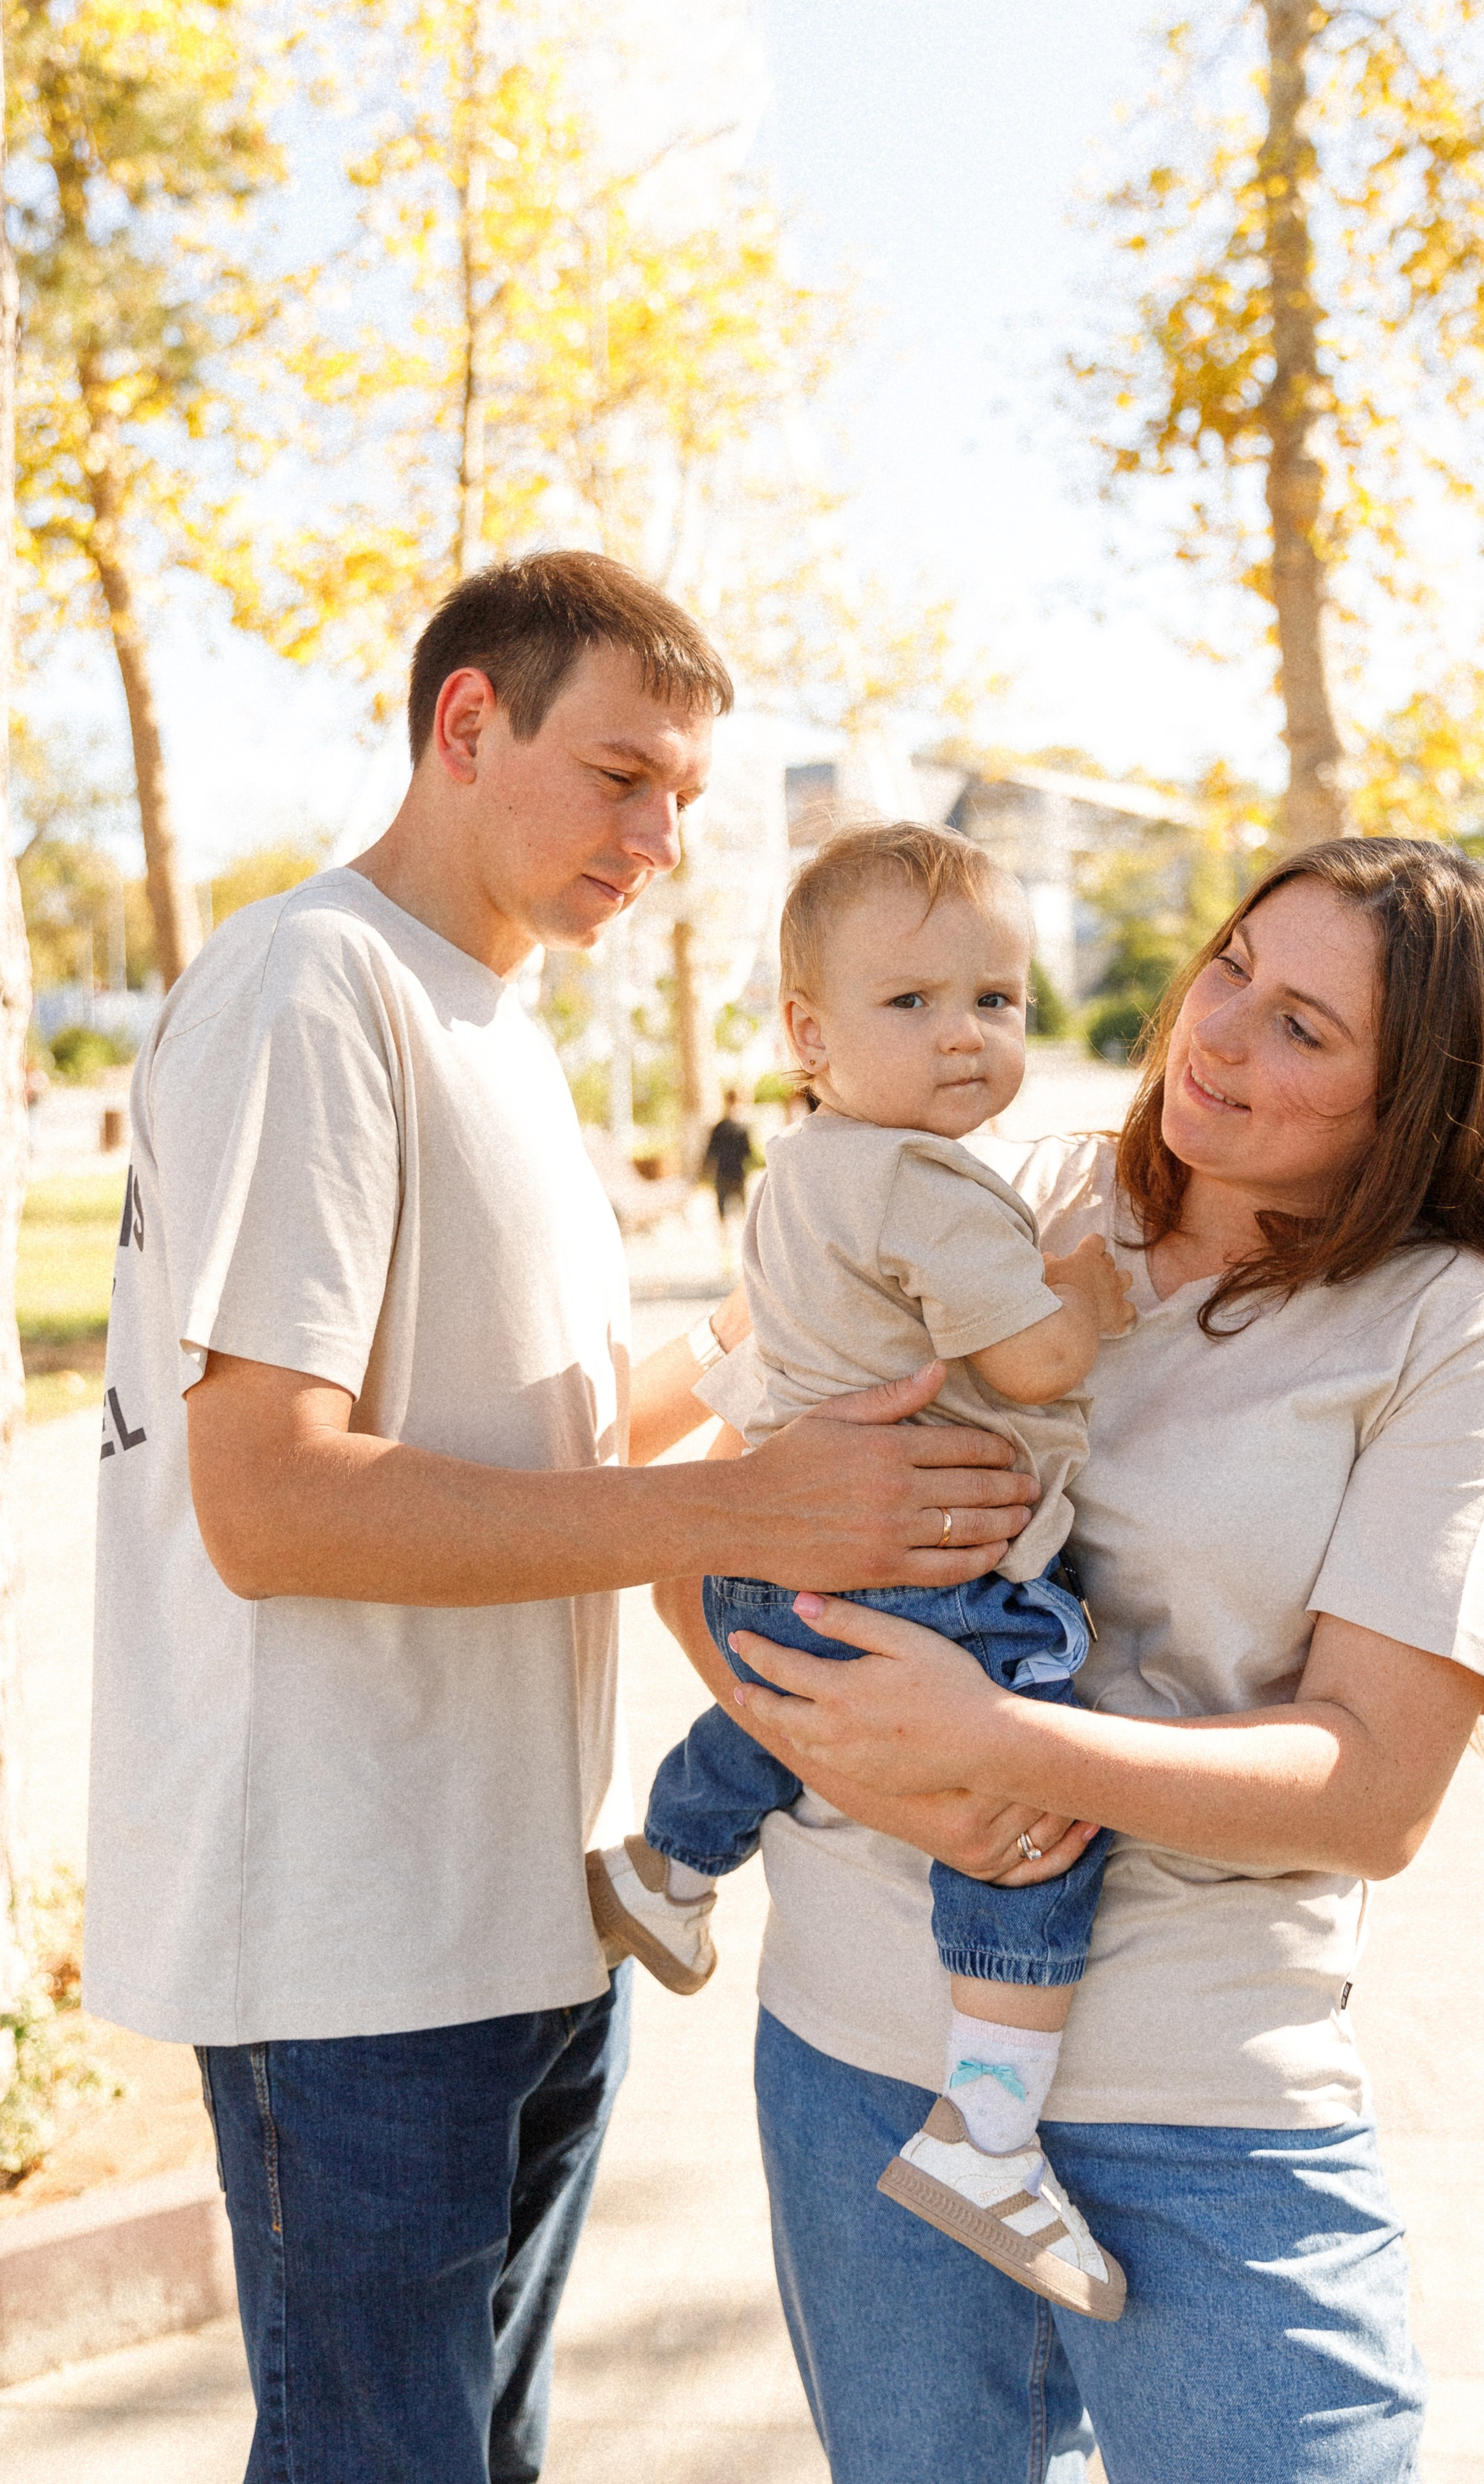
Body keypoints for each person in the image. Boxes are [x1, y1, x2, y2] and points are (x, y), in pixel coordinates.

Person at [83, 551, 1040, 2484]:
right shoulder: (313, 979)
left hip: (524, 1910)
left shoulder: (498, 1029)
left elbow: (558, 1431)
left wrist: (812, 1324)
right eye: (622, 775)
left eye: (685, 793)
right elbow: (268, 1495)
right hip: (347, 1945)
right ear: (464, 724)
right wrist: (751, 1497)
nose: (664, 836)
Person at [652, 835, 1484, 2484]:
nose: (1219, 1033)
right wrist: (826, 1731)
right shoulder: (1012, 1190)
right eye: (1230, 965)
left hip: (1205, 2115)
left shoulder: (1446, 1327)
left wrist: (1000, 1749)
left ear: (1418, 1101)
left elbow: (1369, 1792)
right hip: (857, 2066)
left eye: (1306, 1027)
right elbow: (689, 1517)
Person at [589, 825, 1134, 2321]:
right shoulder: (930, 1186)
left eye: (999, 1000)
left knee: (781, 1699)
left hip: (793, 1563)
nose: (966, 1032)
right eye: (912, 1004)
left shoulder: (802, 1169)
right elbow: (1026, 1356)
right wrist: (1085, 1292)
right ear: (808, 1033)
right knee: (1040, 1824)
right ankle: (988, 2131)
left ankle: (666, 1863)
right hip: (927, 1577)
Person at [703, 1086, 756, 1227]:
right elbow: (749, 1154)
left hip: (725, 1172)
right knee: (741, 1208)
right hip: (736, 1172)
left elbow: (711, 1152)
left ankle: (727, 1238)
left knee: (725, 1208)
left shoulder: (720, 1127)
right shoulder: (742, 1127)